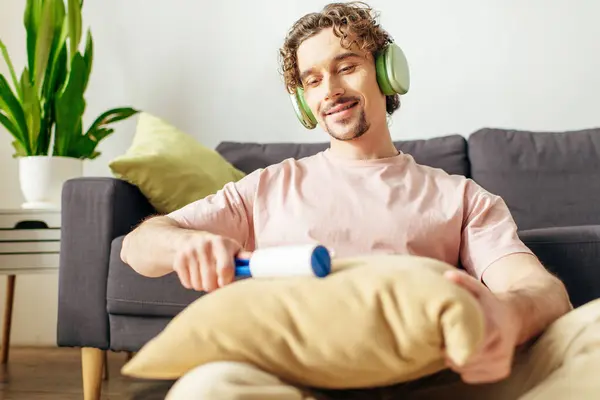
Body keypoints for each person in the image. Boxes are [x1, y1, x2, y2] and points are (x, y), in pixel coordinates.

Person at [121, 2, 572, 398]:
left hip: (428, 378)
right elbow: (136, 248)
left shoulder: (461, 196)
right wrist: (182, 246)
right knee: (206, 390)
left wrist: (506, 317)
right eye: (312, 80)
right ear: (303, 100)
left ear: (386, 72)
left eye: (347, 66)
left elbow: (541, 290)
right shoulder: (265, 187)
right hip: (294, 381)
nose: (330, 90)